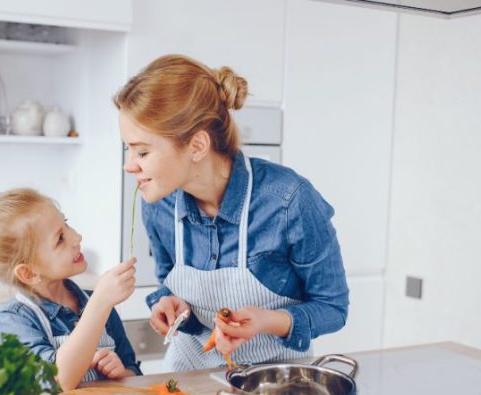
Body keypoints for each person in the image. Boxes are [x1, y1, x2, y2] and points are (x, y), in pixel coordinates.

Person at [114, 54, 349, 371]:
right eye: (128, 149)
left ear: (197, 146)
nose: (129, 165)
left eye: (142, 151)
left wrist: (266, 320)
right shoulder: (159, 204)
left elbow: (332, 308)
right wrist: (169, 305)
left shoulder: (288, 200)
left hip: (272, 381)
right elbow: (168, 283)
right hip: (188, 375)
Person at [0, 188, 141, 390]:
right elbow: (57, 381)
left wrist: (122, 374)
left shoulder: (97, 302)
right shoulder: (14, 321)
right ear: (29, 273)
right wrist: (99, 304)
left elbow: (135, 373)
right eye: (60, 238)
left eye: (66, 223)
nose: (77, 237)